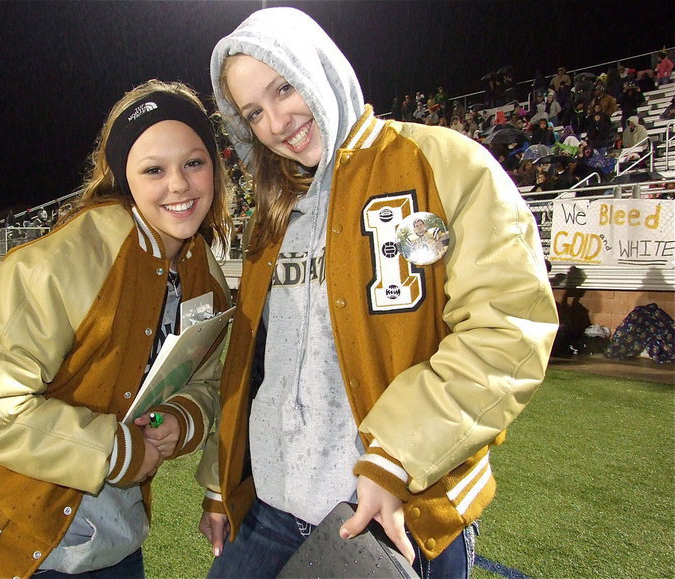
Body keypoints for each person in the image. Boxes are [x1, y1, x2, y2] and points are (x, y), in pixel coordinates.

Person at [197, 7, 558, 579]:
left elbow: (508, 331)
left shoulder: (441, 163)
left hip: (398, 518)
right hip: (268, 512)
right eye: (253, 113)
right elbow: (255, 363)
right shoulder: (271, 211)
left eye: (284, 87)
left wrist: (395, 457)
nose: (276, 122)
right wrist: (223, 482)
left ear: (319, 68)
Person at [0, 79, 233, 579]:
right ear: (124, 178)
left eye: (193, 162)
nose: (179, 185)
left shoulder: (208, 271)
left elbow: (204, 381)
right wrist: (114, 450)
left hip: (114, 533)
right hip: (20, 526)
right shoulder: (63, 261)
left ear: (215, 167)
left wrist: (182, 418)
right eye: (154, 169)